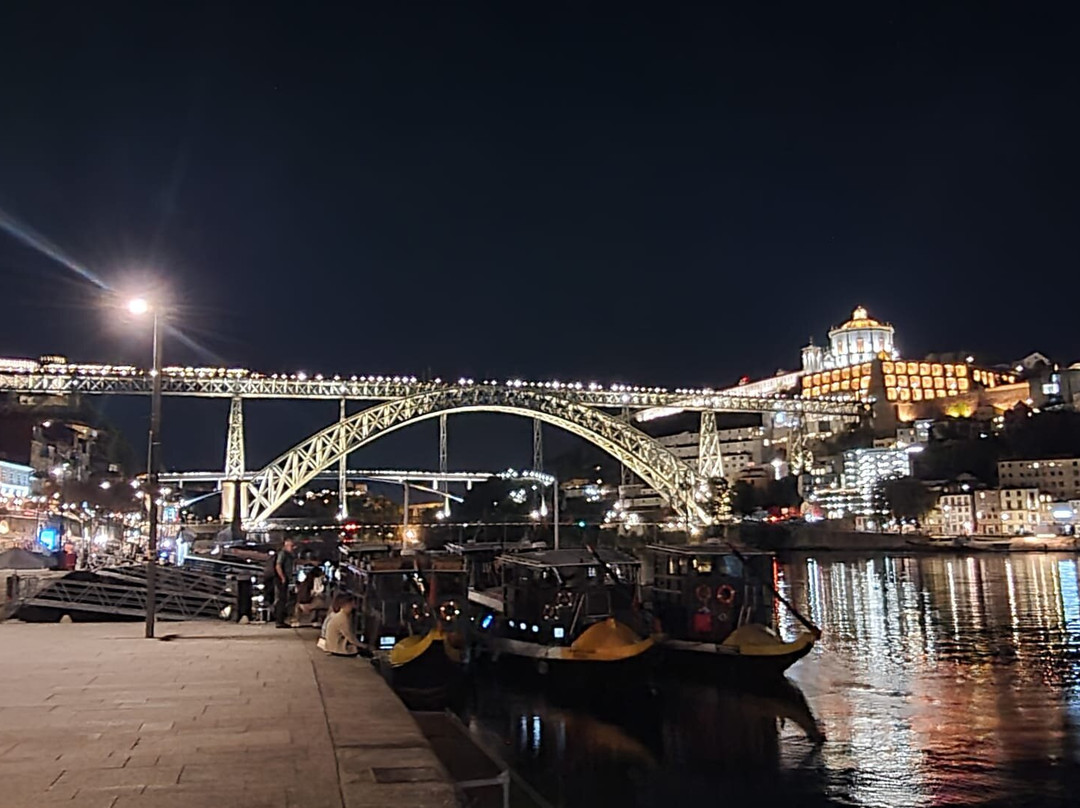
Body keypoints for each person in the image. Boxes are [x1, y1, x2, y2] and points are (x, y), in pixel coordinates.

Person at [274, 538, 297, 628]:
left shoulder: (289, 555)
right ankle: (279, 620)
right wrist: (282, 577)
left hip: (285, 578)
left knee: (284, 599)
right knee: (281, 599)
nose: (292, 548)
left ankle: (281, 619)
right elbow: (278, 565)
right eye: (291, 546)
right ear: (286, 545)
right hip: (281, 579)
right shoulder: (282, 554)